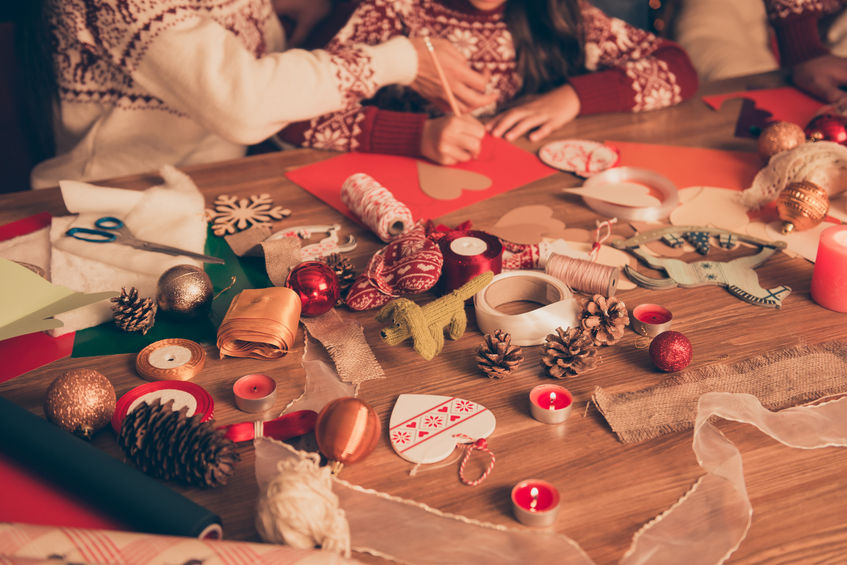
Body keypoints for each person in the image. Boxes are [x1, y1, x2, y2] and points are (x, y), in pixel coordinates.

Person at [26, 0, 496, 189]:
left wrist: (293, 7)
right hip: (110, 202)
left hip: (218, 189)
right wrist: (401, 61)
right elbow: (244, 104)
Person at [276, 0, 699, 165]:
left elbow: (677, 67)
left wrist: (572, 98)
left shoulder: (559, 13)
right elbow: (290, 114)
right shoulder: (388, 11)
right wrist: (413, 136)